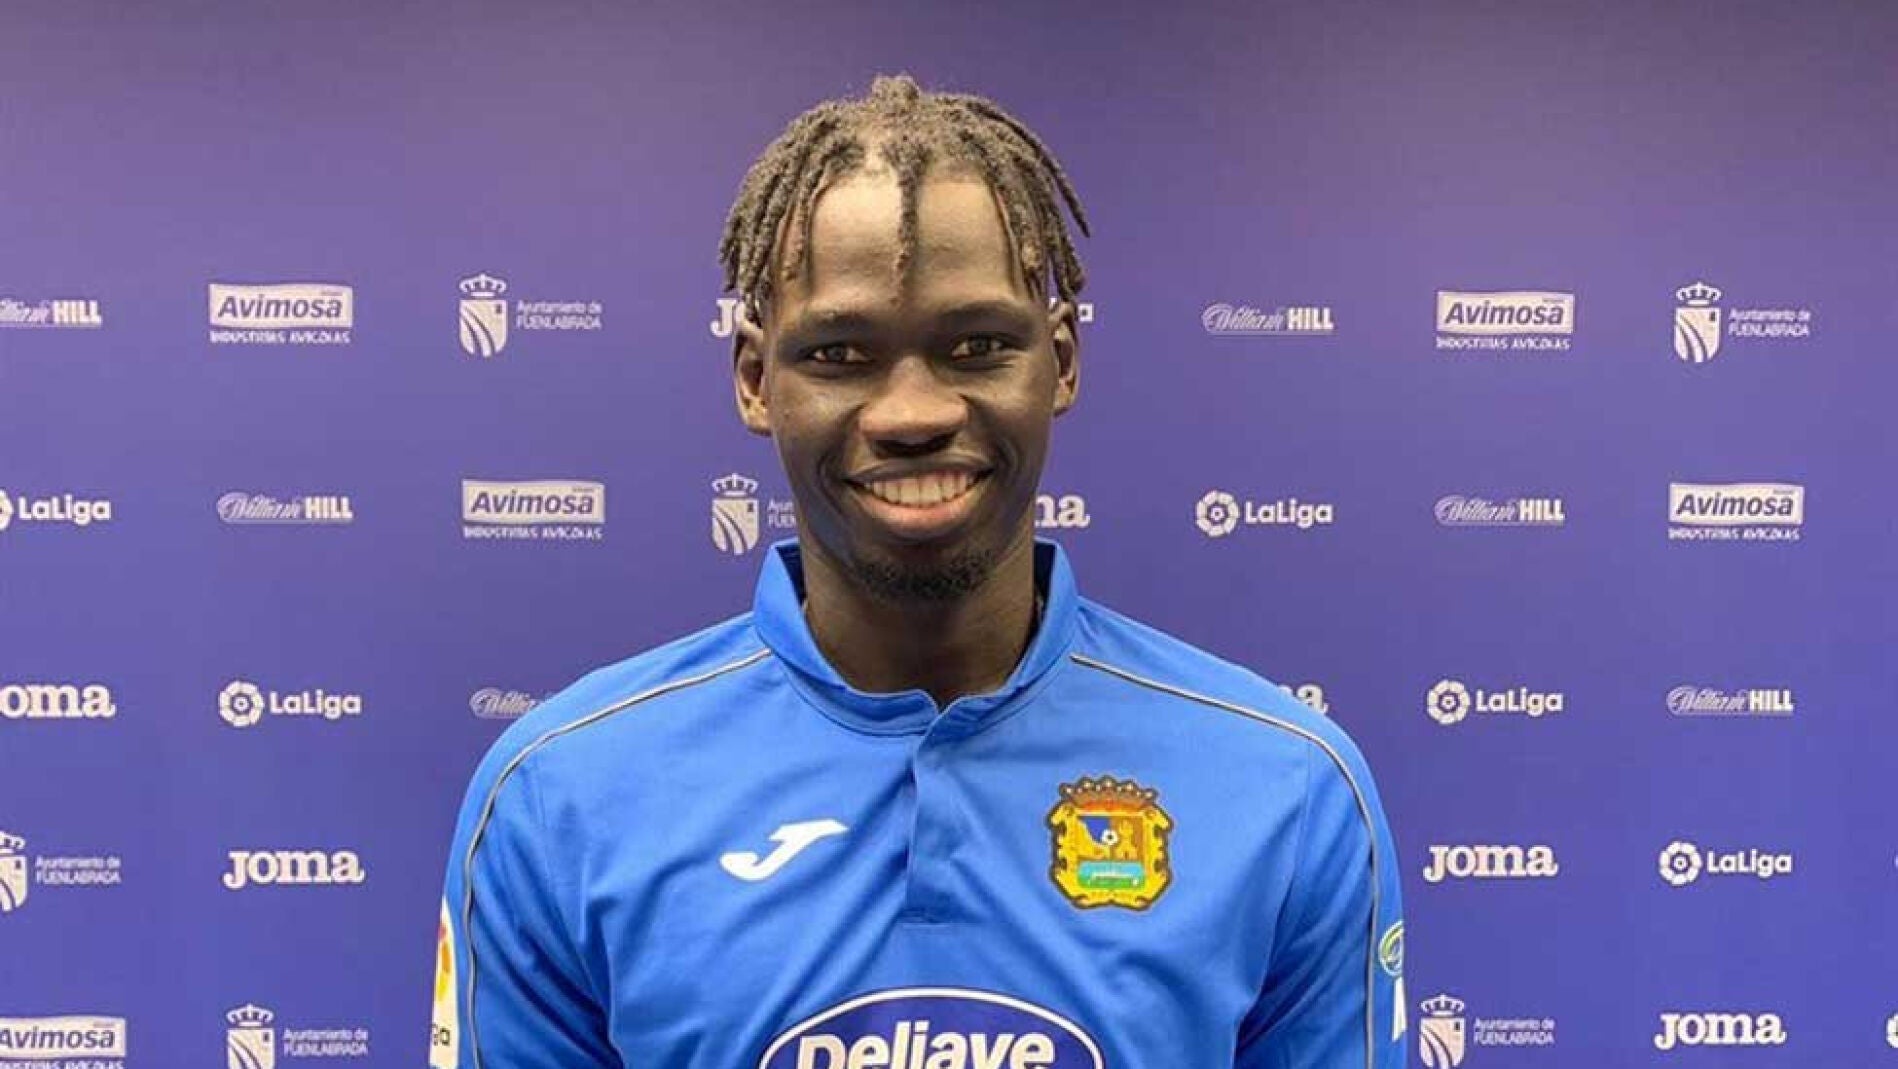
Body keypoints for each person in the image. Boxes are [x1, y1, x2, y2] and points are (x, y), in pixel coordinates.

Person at [432, 74, 1405, 1069]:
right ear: (756, 380)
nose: (912, 413)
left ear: (1061, 362)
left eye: (977, 346)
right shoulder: (560, 797)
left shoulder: (1284, 788)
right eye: (841, 354)